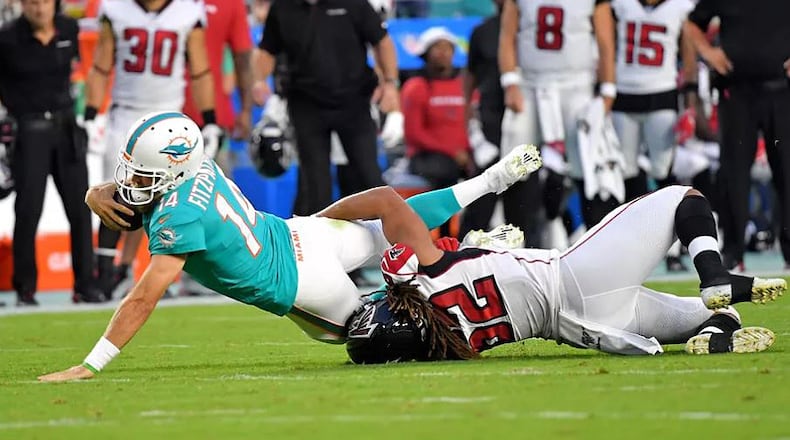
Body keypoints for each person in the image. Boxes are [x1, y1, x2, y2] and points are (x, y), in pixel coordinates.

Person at [36, 111, 541, 382]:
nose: (133, 182)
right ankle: (486, 191)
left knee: (402, 326)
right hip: (301, 235)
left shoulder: (178, 212)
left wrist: (92, 362)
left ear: (174, 167)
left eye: (144, 174)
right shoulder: (201, 167)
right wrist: (94, 190)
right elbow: (148, 194)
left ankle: (459, 260)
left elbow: (144, 296)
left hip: (301, 284)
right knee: (390, 206)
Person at [324, 185, 786, 363]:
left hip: (590, 328)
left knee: (713, 319)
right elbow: (386, 200)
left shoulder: (444, 347)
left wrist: (477, 249)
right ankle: (715, 274)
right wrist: (318, 220)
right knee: (685, 199)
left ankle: (720, 333)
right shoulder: (418, 274)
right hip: (578, 278)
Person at [86, 0, 219, 300]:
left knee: (165, 198)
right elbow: (101, 63)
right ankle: (107, 272)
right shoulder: (116, 8)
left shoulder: (187, 11)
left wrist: (210, 120)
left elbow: (200, 69)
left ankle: (153, 272)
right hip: (125, 112)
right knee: (116, 192)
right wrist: (91, 113)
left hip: (168, 117)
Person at [252, 0, 399, 216]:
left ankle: (390, 239)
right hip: (305, 104)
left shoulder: (353, 4)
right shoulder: (283, 7)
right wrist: (259, 80)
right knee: (315, 185)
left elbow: (382, 42)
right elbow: (266, 50)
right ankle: (318, 246)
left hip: (353, 102)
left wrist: (390, 84)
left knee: (369, 175)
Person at [0, 0, 104, 305]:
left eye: (44, 1)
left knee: (82, 208)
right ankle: (25, 288)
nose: (39, 8)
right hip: (28, 130)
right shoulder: (6, 38)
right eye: (32, 2)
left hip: (66, 128)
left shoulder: (69, 29)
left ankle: (86, 284)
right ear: (22, 5)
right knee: (28, 210)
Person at [498, 0, 617, 246]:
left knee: (589, 163)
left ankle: (599, 243)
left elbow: (606, 41)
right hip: (530, 84)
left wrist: (608, 89)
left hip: (577, 85)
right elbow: (507, 36)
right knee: (512, 162)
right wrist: (510, 82)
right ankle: (515, 244)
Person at [683, 1, 790, 271]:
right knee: (734, 175)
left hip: (782, 91)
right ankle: (733, 252)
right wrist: (707, 51)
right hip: (736, 92)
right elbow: (692, 23)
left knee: (788, 174)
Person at [609, 0, 697, 271]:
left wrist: (690, 104)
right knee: (626, 171)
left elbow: (689, 52)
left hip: (661, 94)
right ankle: (631, 243)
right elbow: (606, 45)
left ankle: (670, 248)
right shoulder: (620, 6)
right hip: (623, 94)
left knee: (662, 171)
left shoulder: (680, 8)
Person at [179, 0, 255, 297]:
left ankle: (218, 275)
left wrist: (246, 109)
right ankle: (163, 274)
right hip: (165, 111)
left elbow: (242, 57)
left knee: (218, 201)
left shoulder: (229, 4)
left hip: (212, 118)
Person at [402, 27, 471, 237]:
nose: (443, 53)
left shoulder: (464, 84)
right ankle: (446, 239)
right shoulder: (417, 86)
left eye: (447, 47)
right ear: (426, 53)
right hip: (428, 157)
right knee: (446, 174)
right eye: (437, 48)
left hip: (464, 155)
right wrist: (453, 153)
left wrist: (467, 154)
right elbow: (414, 134)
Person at [459, 0, 506, 238]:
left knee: (527, 181)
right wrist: (467, 108)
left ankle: (528, 247)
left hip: (524, 114)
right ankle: (466, 245)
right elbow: (470, 74)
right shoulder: (483, 31)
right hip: (491, 115)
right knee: (486, 181)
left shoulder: (530, 29)